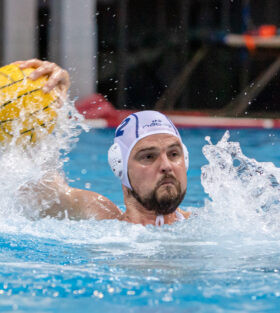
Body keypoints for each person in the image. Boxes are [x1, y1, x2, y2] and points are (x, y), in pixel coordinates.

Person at [15, 59, 191, 226]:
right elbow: (30, 190)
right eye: (149, 156)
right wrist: (50, 96)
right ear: (120, 166)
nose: (166, 165)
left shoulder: (206, 222)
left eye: (174, 154)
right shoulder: (99, 215)